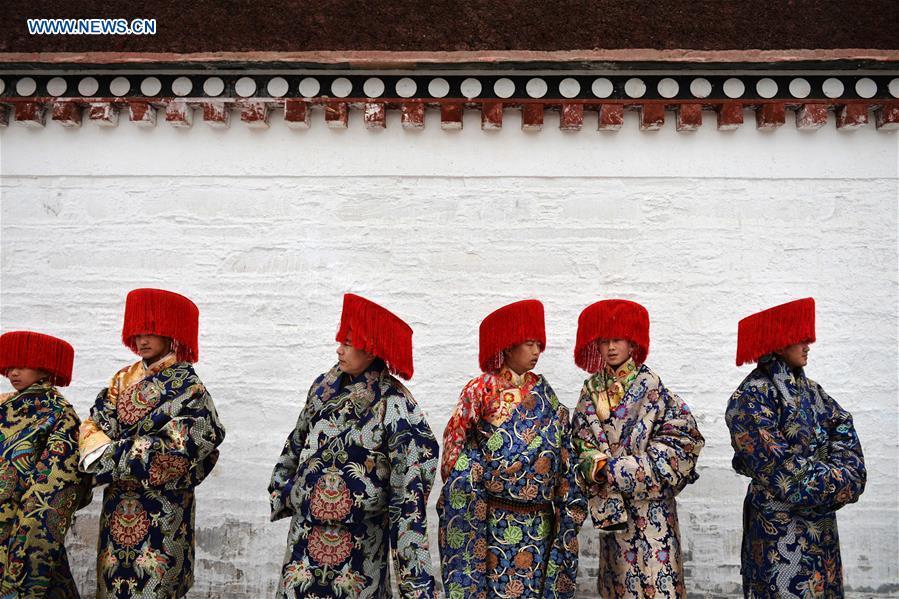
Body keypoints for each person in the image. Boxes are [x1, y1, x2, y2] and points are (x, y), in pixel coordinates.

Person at [269, 293, 439, 599]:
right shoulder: (323, 387)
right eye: (340, 340)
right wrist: (288, 489)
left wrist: (415, 579)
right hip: (305, 539)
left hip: (360, 545)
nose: (339, 349)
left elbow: (411, 486)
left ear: (372, 348)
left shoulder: (396, 404)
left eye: (348, 342)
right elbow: (297, 440)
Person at [78, 288, 225, 598]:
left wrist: (112, 453)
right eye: (138, 331)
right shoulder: (121, 379)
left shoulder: (189, 387)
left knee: (155, 587)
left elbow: (186, 445)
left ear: (172, 334)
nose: (143, 340)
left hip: (163, 508)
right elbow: (95, 425)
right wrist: (126, 448)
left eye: (152, 332)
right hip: (118, 505)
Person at [438, 299, 586, 599]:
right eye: (529, 344)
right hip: (491, 523)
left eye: (538, 345)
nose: (536, 352)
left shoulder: (545, 395)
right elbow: (455, 448)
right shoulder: (480, 390)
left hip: (539, 523)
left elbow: (563, 452)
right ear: (507, 346)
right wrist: (474, 477)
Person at [726, 297, 865, 598]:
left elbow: (844, 432)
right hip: (778, 532)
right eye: (800, 339)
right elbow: (783, 472)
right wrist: (841, 480)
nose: (808, 345)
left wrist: (846, 476)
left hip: (822, 530)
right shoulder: (750, 398)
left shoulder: (814, 392)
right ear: (778, 342)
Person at [571, 299, 703, 599]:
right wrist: (592, 462)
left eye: (617, 340)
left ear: (633, 343)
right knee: (618, 585)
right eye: (604, 341)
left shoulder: (655, 390)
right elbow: (580, 441)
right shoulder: (591, 392)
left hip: (653, 511)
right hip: (615, 517)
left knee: (659, 585)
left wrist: (615, 469)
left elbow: (681, 446)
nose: (611, 348)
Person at [0, 331, 91, 598]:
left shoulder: (60, 416)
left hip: (23, 531)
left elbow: (53, 491)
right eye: (9, 366)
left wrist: (24, 549)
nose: (13, 373)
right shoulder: (4, 405)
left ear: (44, 367)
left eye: (22, 365)